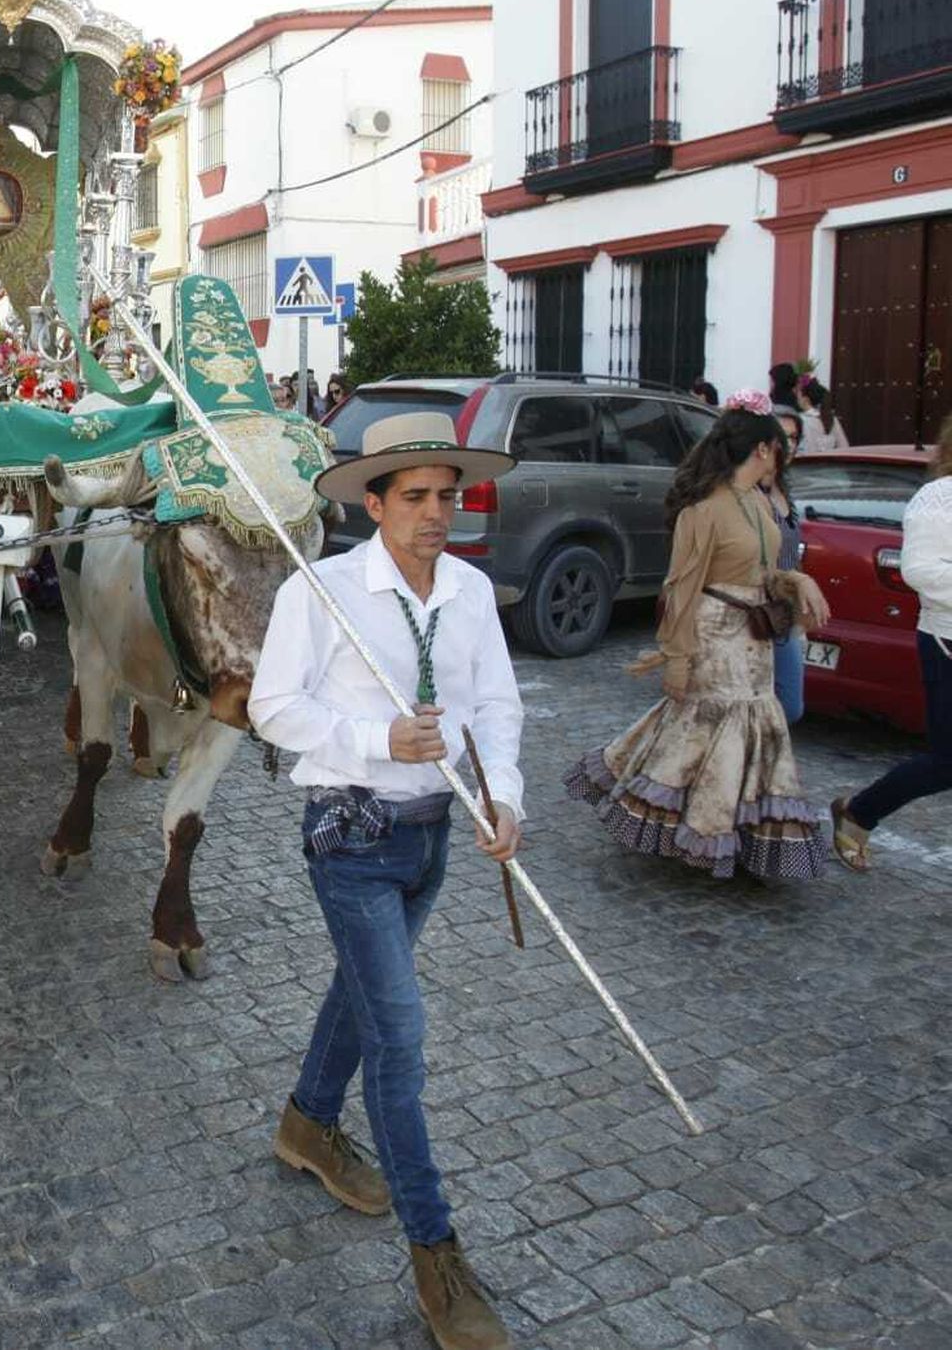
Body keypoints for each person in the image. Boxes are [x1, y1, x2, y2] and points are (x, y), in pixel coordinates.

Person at [250, 412, 522, 1350]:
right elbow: (271, 707)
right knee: (399, 1041)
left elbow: (495, 704)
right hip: (353, 839)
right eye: (416, 497)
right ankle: (436, 1255)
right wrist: (375, 741)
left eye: (448, 494)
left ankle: (305, 1123)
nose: (437, 513)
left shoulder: (474, 593)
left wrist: (504, 795)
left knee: (361, 995)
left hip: (436, 837)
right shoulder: (321, 592)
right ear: (374, 503)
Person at [565, 396, 830, 880]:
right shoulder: (703, 510)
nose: (788, 450)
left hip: (756, 639)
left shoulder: (759, 503)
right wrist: (678, 657)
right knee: (716, 726)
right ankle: (706, 834)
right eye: (783, 444)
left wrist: (798, 583)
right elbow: (680, 588)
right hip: (715, 634)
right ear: (766, 448)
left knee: (746, 726)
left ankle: (740, 834)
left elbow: (767, 570)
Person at [831, 413, 952, 870]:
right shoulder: (939, 498)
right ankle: (858, 813)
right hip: (947, 642)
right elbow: (920, 571)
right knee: (947, 762)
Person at [766, 402, 808, 725]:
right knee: (786, 705)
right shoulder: (754, 492)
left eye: (795, 437)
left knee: (788, 705)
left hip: (787, 609)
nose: (789, 445)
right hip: (761, 608)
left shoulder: (786, 489)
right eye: (784, 437)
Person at [797, 372, 849, 453]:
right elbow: (844, 447)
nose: (797, 399)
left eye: (799, 396)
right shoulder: (831, 418)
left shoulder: (801, 420)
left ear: (805, 399)